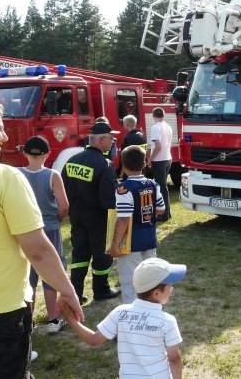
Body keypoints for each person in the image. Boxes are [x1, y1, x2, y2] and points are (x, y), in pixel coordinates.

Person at [0, 100, 83, 379]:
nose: (5, 137)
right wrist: (68, 291)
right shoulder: (4, 178)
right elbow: (38, 250)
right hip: (2, 310)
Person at [62, 257, 185, 379]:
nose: (172, 289)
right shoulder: (167, 321)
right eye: (169, 285)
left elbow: (93, 340)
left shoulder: (120, 313)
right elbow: (174, 359)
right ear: (156, 293)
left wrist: (71, 319)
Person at [62, 121, 121, 303]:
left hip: (77, 217)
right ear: (101, 140)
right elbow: (108, 200)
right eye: (111, 138)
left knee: (79, 254)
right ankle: (101, 290)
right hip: (98, 220)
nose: (113, 142)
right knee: (102, 256)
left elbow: (63, 188)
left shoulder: (72, 161)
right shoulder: (105, 164)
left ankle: (76, 293)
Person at [19, 136, 70, 334]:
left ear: (25, 153)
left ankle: (28, 321)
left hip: (25, 229)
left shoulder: (17, 174)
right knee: (51, 272)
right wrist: (56, 220)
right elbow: (64, 206)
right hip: (49, 227)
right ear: (47, 154)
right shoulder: (52, 175)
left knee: (28, 275)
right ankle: (53, 319)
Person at [111, 145, 166, 303]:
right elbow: (161, 209)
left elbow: (123, 219)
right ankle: (151, 309)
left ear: (123, 165)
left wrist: (115, 245)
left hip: (130, 243)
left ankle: (132, 313)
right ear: (144, 163)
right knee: (150, 281)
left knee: (130, 282)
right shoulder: (153, 184)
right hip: (149, 239)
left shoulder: (124, 189)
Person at [148, 108, 173, 222]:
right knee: (163, 187)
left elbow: (158, 146)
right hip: (167, 158)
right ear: (163, 115)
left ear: (153, 115)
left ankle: (164, 214)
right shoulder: (168, 126)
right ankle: (167, 213)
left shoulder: (155, 127)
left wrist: (150, 159)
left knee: (161, 187)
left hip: (159, 160)